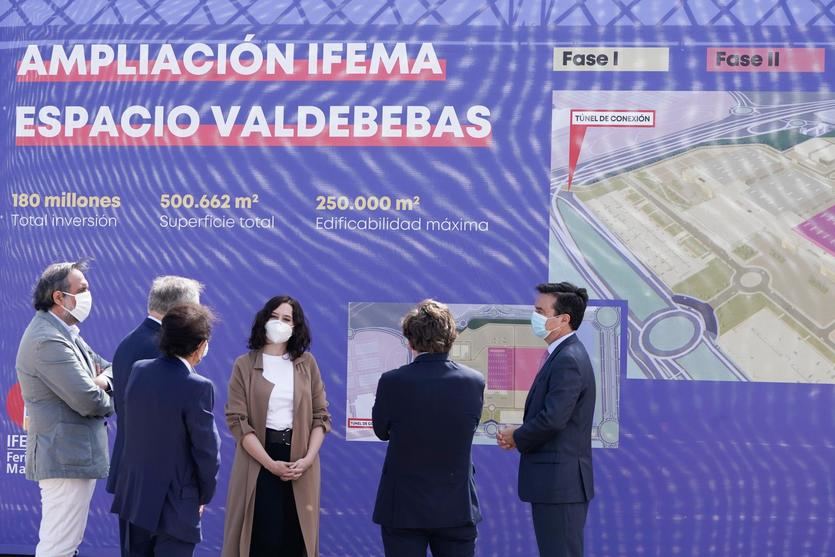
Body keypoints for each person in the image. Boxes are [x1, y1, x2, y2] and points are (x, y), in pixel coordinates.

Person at [16, 259, 114, 557]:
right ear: (59, 297)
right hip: (64, 457)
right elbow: (88, 400)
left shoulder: (67, 334)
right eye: (82, 289)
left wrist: (100, 381)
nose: (88, 295)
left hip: (72, 457)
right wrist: (102, 389)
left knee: (65, 544)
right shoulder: (48, 340)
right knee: (58, 546)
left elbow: (111, 368)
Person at [372, 299, 485, 557]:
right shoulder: (474, 382)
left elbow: (381, 431)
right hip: (457, 506)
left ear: (410, 341)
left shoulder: (392, 382)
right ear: (451, 338)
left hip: (403, 507)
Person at [223, 295, 331, 557]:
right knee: (262, 537)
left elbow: (321, 416)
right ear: (264, 319)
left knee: (296, 537)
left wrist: (307, 459)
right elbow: (238, 422)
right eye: (275, 316)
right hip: (258, 459)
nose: (279, 323)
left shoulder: (307, 364)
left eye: (287, 319)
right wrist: (270, 464)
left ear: (296, 327)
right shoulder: (244, 365)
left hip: (300, 461)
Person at [110, 303, 221, 556]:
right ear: (200, 345)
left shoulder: (140, 370)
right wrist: (202, 495)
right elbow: (206, 451)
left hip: (135, 498)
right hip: (177, 505)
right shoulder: (198, 386)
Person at [497, 282, 596, 557]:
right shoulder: (562, 355)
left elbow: (553, 419)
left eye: (541, 311)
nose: (535, 317)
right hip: (556, 484)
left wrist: (517, 436)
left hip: (561, 485)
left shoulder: (568, 359)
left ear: (563, 319)